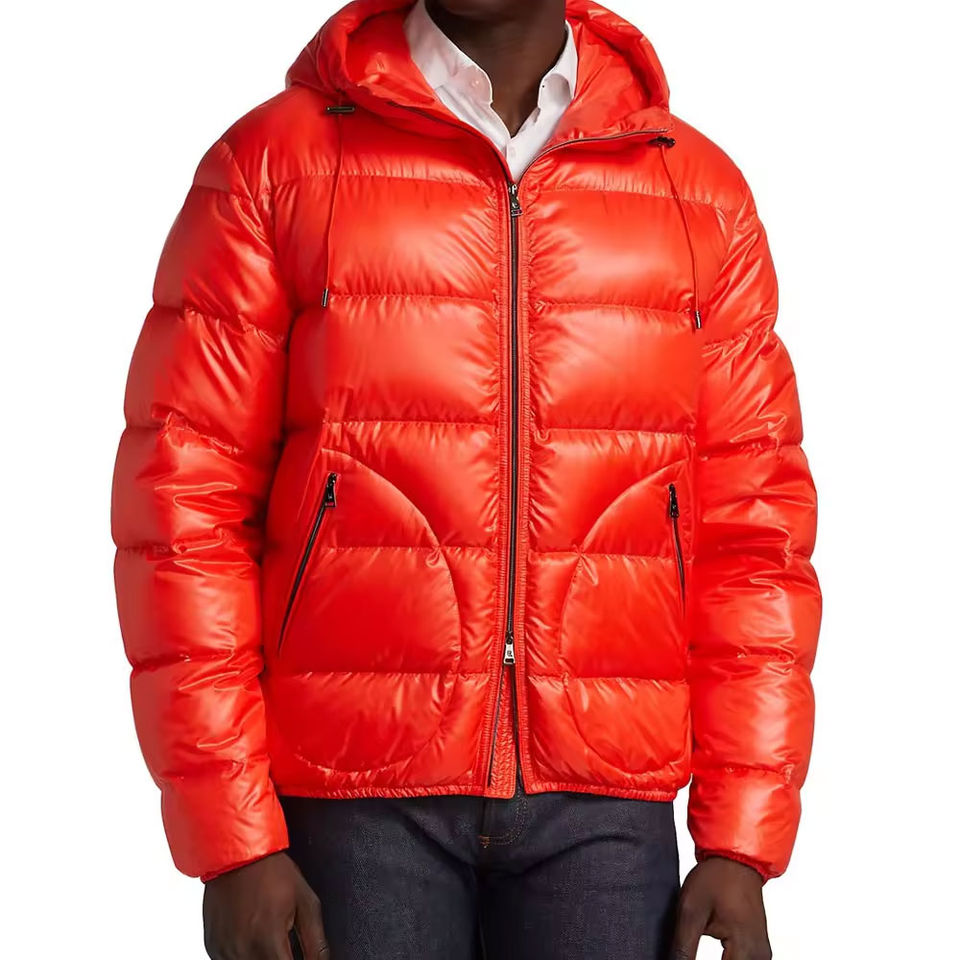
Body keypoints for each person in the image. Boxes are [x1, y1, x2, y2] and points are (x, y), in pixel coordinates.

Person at [111, 0, 822, 957]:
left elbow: (755, 531)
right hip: (351, 799)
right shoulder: (276, 165)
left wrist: (742, 836)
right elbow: (182, 506)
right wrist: (232, 840)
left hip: (607, 807)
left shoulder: (696, 193)